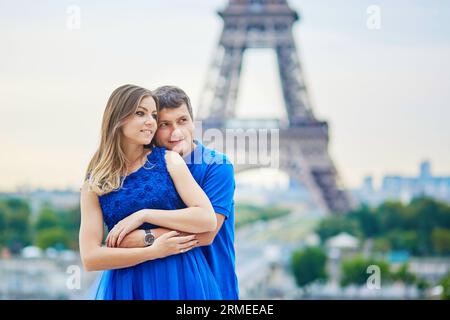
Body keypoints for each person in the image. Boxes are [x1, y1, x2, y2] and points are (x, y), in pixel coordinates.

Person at [79, 84, 222, 299]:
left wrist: (144, 215)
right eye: (140, 113)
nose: (150, 122)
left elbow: (207, 219)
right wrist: (152, 252)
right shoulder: (96, 180)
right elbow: (90, 257)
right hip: (129, 284)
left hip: (179, 276)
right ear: (118, 119)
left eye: (154, 115)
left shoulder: (168, 160)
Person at [117, 86, 239, 299]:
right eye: (165, 124)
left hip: (211, 286)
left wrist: (144, 236)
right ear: (153, 128)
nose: (176, 132)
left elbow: (206, 234)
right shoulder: (144, 170)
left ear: (193, 122)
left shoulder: (217, 167)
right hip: (159, 288)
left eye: (182, 121)